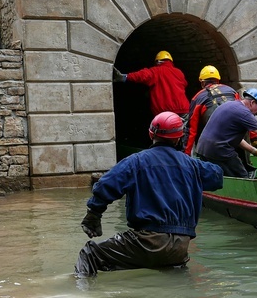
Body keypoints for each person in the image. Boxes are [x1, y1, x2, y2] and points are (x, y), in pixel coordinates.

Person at [75, 112, 223, 278]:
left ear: (151, 134)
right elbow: (217, 176)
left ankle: (80, 295)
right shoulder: (193, 165)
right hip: (180, 247)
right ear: (179, 138)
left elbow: (106, 185)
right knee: (174, 281)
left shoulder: (137, 161)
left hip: (146, 242)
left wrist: (94, 214)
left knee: (89, 254)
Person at [182, 65, 239, 156]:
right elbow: (245, 114)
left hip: (213, 141)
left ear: (202, 83)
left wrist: (185, 154)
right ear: (218, 80)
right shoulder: (232, 91)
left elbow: (191, 129)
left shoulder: (198, 97)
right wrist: (254, 139)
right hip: (237, 136)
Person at [113, 50, 190, 116]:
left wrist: (125, 77)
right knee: (182, 133)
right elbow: (185, 84)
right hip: (184, 111)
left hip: (165, 113)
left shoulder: (156, 71)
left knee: (165, 133)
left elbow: (142, 75)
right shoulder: (179, 72)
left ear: (157, 62)